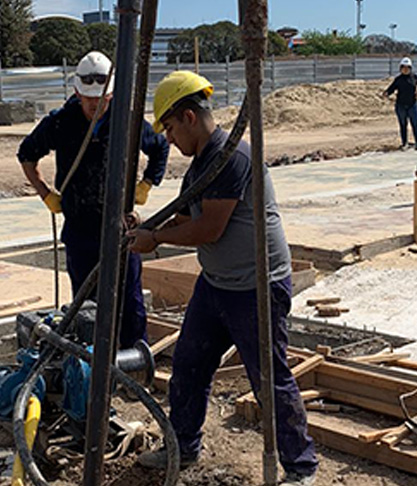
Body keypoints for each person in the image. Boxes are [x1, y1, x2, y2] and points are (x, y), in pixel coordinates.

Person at [129, 71, 319, 486]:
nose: (170, 140)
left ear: (189, 118)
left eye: (170, 128)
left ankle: (300, 468)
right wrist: (146, 225)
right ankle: (183, 445)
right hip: (217, 284)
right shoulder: (201, 165)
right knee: (189, 365)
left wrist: (154, 240)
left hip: (257, 286)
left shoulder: (232, 158)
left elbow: (208, 229)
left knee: (269, 378)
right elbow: (188, 217)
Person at [17, 51, 170, 347]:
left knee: (129, 298)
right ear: (77, 91)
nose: (95, 107)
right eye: (88, 101)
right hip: (80, 225)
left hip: (120, 225)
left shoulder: (127, 120)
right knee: (86, 302)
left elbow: (159, 148)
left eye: (101, 100)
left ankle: (132, 359)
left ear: (111, 95)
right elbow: (26, 154)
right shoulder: (61, 122)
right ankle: (91, 360)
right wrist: (45, 193)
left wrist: (147, 184)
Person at [381, 57, 417, 151]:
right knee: (403, 125)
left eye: (407, 67)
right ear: (400, 68)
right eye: (403, 67)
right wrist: (386, 93)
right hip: (400, 105)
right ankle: (404, 143)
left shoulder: (414, 77)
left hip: (412, 105)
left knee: (415, 124)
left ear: (410, 68)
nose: (405, 69)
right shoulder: (398, 79)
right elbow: (391, 88)